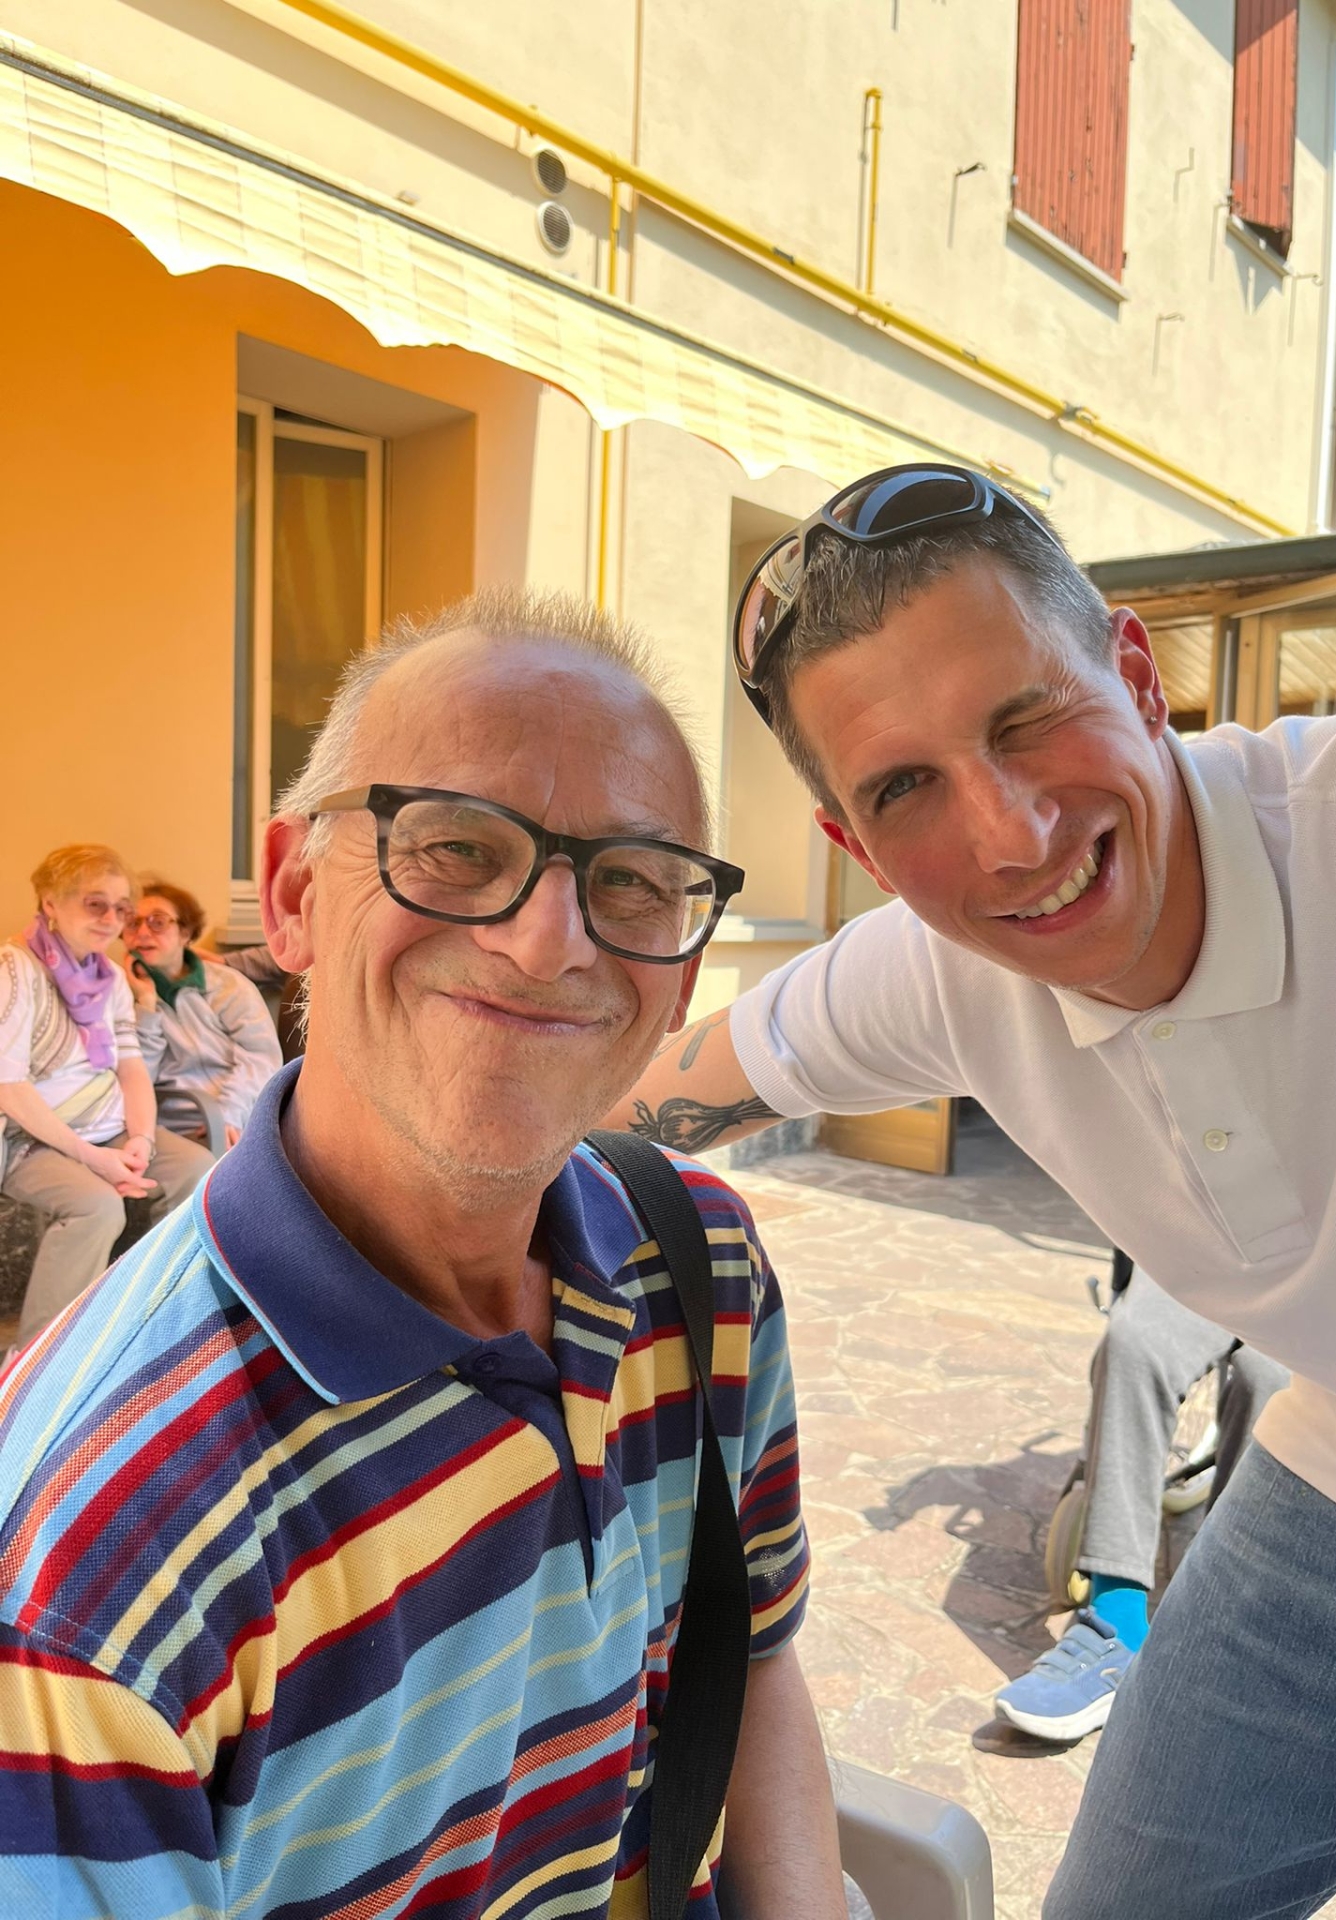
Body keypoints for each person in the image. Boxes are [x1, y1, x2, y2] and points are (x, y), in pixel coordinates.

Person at [604, 464, 1336, 1918]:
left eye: (1026, 719)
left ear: (1139, 676)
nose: (1010, 836)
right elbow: (636, 1104)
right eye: (904, 787)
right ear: (855, 848)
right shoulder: (940, 971)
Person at [0, 590, 845, 1920]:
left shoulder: (704, 1267)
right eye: (456, 845)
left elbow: (755, 1668)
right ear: (293, 896)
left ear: (682, 974)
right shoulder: (94, 1568)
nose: (547, 942)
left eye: (632, 880)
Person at [995, 1261, 1287, 1741]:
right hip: (1215, 1247)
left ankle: (1223, 1627)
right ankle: (1116, 1621)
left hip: (1323, 1273)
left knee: (1273, 1380)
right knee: (1136, 1343)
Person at [0, 845, 212, 1346]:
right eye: (95, 903)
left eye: (121, 909)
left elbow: (131, 1066)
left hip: (108, 1127)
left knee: (198, 1171)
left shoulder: (109, 976)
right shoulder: (15, 969)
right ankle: (37, 1356)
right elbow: (9, 1087)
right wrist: (92, 1157)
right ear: (51, 902)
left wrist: (140, 1139)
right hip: (32, 1137)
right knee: (97, 1207)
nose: (111, 919)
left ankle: (151, 1322)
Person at [122, 880, 283, 1146]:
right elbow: (137, 1076)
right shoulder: (119, 996)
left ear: (185, 933)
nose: (142, 933)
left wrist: (229, 1113)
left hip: (241, 1114)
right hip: (172, 1128)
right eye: (132, 923)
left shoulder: (228, 984)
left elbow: (261, 1057)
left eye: (158, 922)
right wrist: (146, 1006)